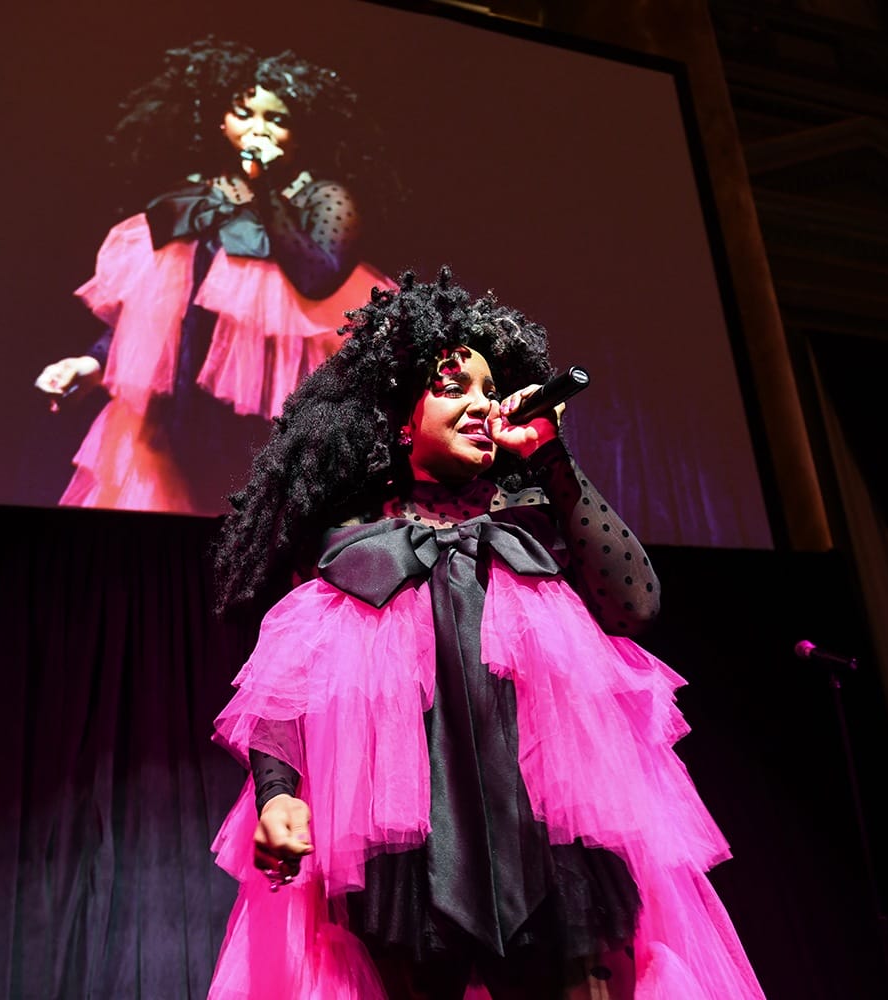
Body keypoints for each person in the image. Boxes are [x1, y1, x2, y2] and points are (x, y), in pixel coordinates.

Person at [204, 269, 765, 998]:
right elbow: (288, 690)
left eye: (487, 388)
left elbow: (635, 606)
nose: (479, 404)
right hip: (406, 858)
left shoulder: (533, 529)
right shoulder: (354, 549)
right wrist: (279, 796)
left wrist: (552, 457)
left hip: (550, 853)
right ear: (401, 418)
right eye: (453, 386)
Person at [34, 36, 393, 516]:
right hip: (179, 419)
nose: (258, 129)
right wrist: (93, 363)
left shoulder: (321, 199)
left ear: (300, 132)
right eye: (244, 114)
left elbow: (316, 276)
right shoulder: (198, 201)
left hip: (268, 433)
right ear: (221, 122)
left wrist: (265, 191)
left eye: (276, 119)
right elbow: (157, 305)